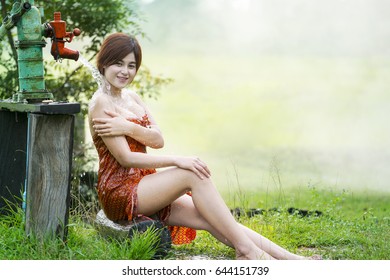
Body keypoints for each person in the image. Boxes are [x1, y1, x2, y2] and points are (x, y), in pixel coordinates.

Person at [88, 32, 310, 260]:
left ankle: (292, 260)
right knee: (191, 172)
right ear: (104, 62)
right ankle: (249, 251)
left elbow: (157, 140)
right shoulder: (100, 104)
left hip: (144, 184)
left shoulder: (132, 98)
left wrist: (128, 128)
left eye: (131, 65)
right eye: (118, 63)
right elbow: (126, 158)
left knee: (211, 215)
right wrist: (177, 160)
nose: (125, 71)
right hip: (120, 192)